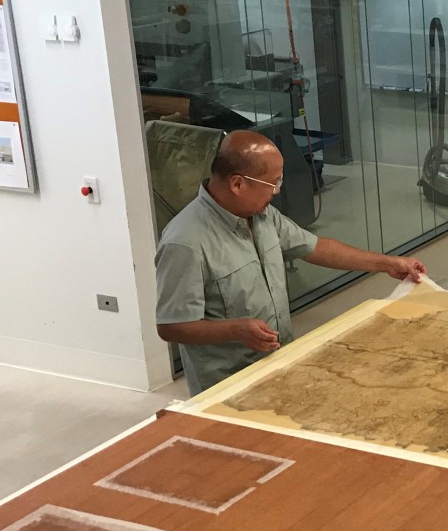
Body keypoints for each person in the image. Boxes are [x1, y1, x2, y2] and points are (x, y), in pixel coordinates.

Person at [156, 130, 426, 395]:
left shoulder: (262, 216)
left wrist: (387, 264)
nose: (276, 191)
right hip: (229, 384)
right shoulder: (185, 242)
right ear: (237, 184)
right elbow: (171, 325)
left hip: (280, 363)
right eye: (271, 183)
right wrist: (236, 330)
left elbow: (315, 247)